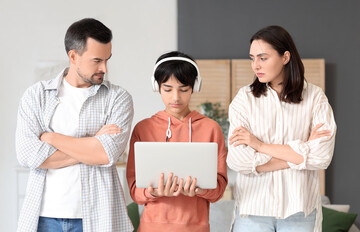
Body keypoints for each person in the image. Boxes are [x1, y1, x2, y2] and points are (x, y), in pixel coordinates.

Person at [15, 18, 134, 232]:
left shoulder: (118, 98)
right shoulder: (36, 96)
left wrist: (50, 138)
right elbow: (27, 155)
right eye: (97, 60)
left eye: (107, 59)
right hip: (43, 218)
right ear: (73, 56)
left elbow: (107, 155)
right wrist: (93, 143)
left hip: (98, 218)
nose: (104, 68)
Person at [227, 25, 336, 232]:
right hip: (253, 214)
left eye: (263, 58)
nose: (255, 65)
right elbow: (238, 160)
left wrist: (258, 145)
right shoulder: (244, 99)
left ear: (285, 57)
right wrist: (301, 153)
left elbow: (321, 156)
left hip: (300, 213)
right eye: (252, 58)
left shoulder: (315, 97)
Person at [126, 51, 228, 232]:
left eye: (183, 89)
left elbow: (218, 190)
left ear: (194, 87)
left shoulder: (211, 129)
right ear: (156, 86)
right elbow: (135, 191)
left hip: (196, 228)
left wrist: (200, 191)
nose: (175, 97)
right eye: (167, 89)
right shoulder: (143, 129)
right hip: (152, 228)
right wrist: (153, 192)